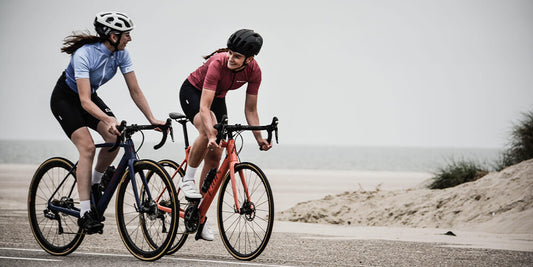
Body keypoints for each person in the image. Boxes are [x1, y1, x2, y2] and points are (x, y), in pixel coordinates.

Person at [50, 12, 165, 234]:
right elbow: (84, 101)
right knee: (88, 148)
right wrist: (107, 118)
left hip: (88, 98)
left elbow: (135, 90)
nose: (129, 39)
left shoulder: (122, 54)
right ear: (112, 36)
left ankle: (95, 183)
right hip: (66, 99)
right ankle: (85, 213)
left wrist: (151, 118)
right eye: (126, 35)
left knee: (115, 137)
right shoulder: (84, 55)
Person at [178, 29, 272, 241]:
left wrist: (259, 138)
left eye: (237, 56)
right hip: (193, 92)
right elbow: (204, 107)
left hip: (217, 97)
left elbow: (251, 111)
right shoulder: (218, 63)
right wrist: (210, 133)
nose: (230, 58)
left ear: (250, 59)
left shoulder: (255, 72)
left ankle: (198, 215)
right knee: (206, 128)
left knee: (216, 153)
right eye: (230, 52)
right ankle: (188, 179)